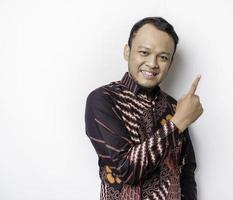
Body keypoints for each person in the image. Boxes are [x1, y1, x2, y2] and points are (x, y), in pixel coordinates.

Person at [84, 16, 203, 200]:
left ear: (170, 63)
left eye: (163, 57)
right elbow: (127, 169)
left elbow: (186, 170)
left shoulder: (174, 107)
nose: (153, 63)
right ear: (127, 51)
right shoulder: (103, 100)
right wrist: (178, 122)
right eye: (144, 52)